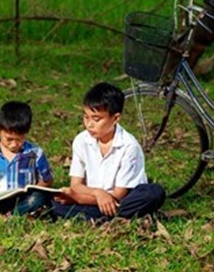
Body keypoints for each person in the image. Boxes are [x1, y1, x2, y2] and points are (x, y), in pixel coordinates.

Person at [52, 82, 165, 221]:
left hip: (120, 198)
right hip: (93, 196)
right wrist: (98, 193)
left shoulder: (129, 146)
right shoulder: (81, 141)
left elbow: (119, 194)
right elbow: (75, 185)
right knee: (54, 202)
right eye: (86, 117)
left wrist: (79, 199)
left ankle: (95, 214)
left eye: (96, 119)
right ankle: (109, 215)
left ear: (115, 118)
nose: (89, 124)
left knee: (153, 193)